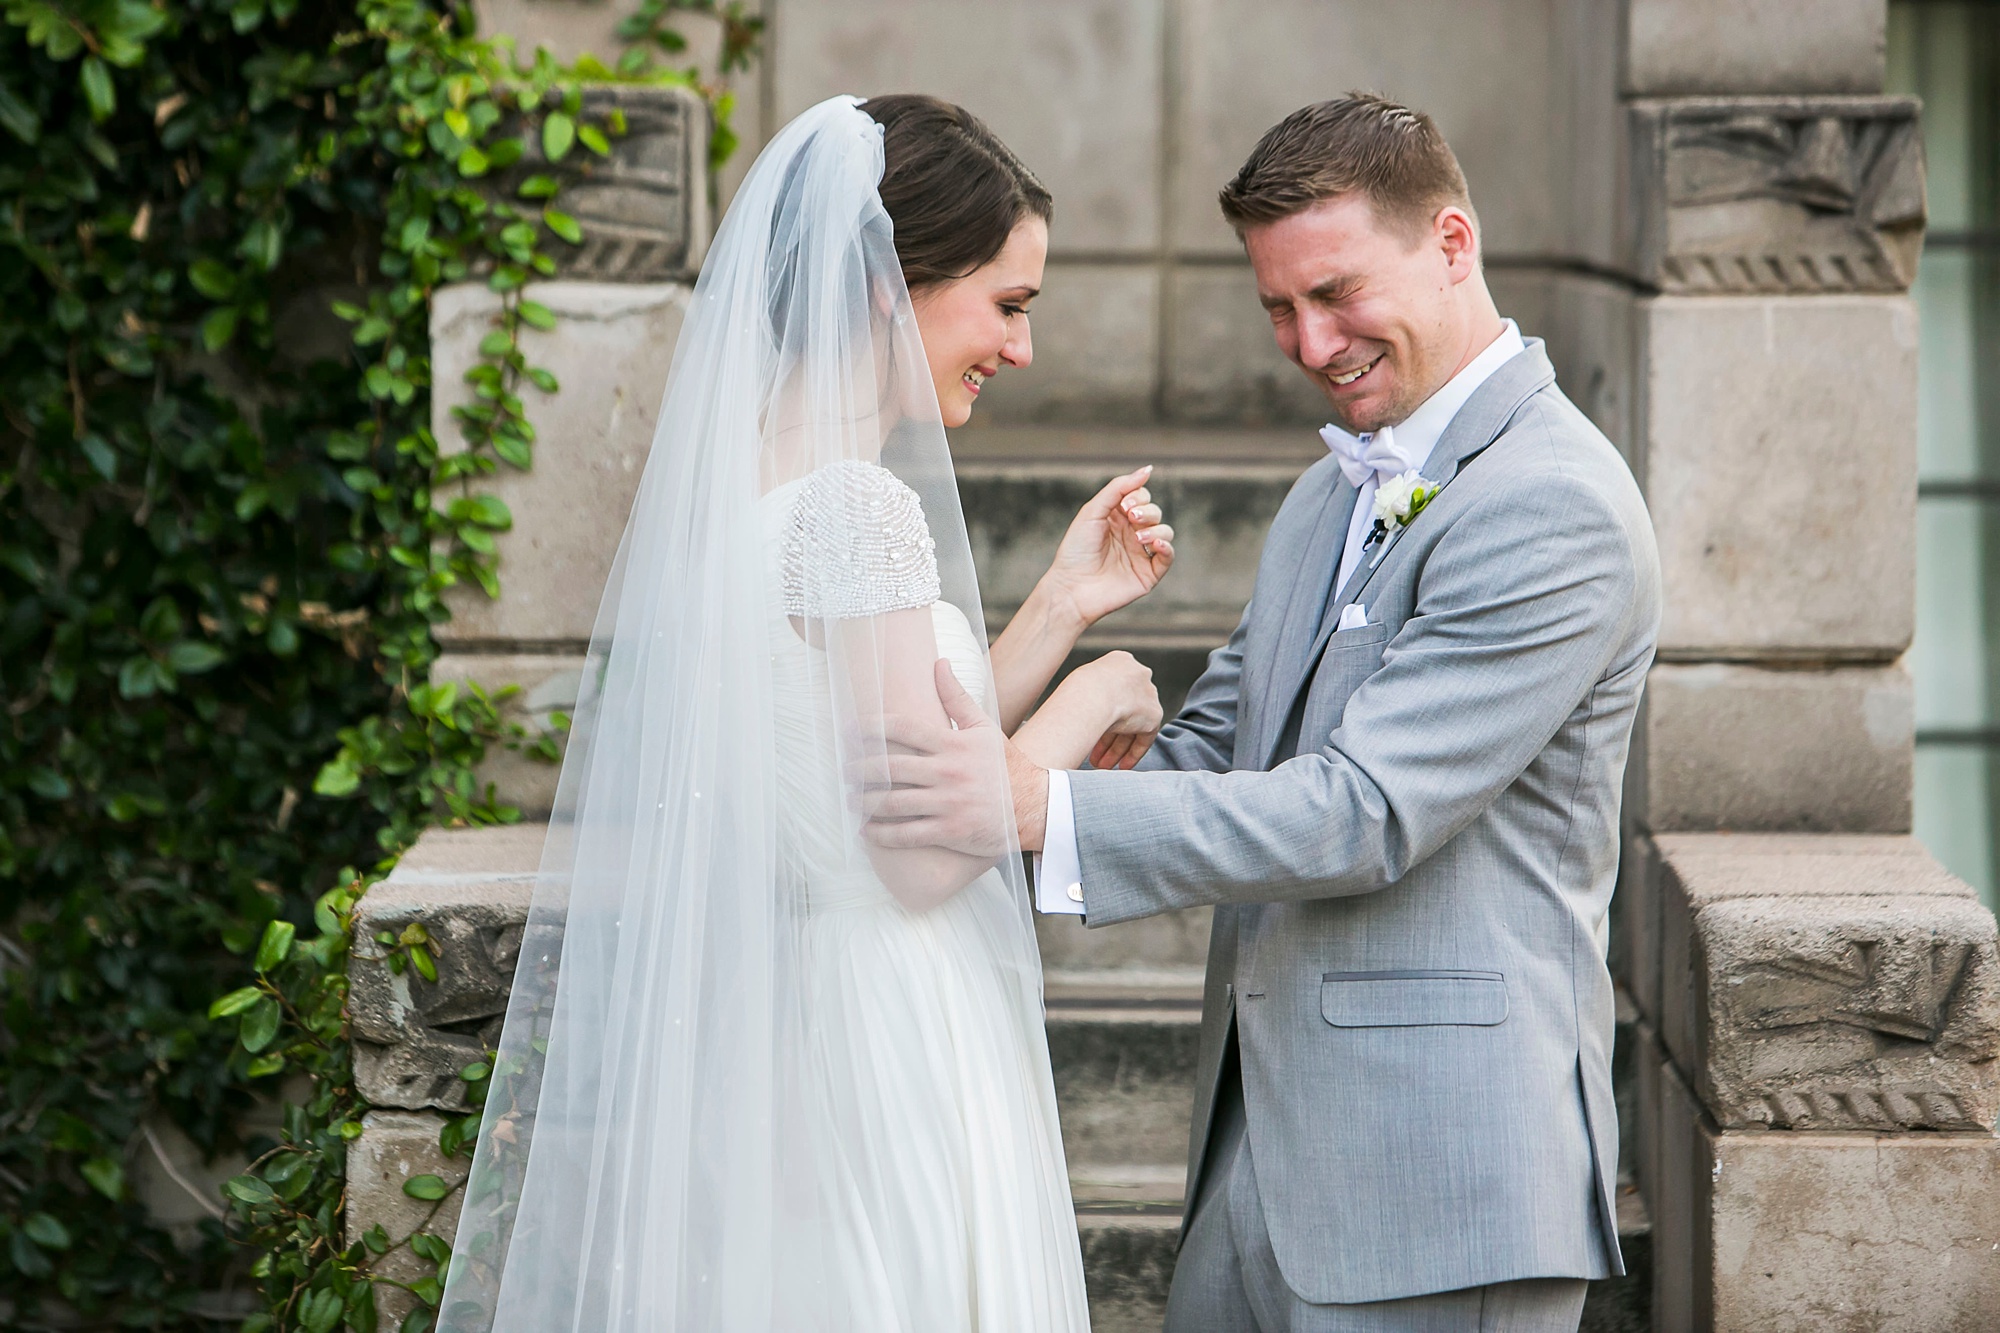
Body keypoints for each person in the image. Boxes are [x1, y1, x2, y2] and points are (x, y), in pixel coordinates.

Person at [871, 94, 1662, 1332]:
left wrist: (1036, 803)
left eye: (1336, 293)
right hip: (1253, 1160)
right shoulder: (1321, 495)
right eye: (1278, 309)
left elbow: (1363, 811)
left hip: (1437, 1180)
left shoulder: (1552, 503)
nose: (1308, 342)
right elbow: (1213, 750)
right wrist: (1060, 739)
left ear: (1451, 244)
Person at [435, 93, 1169, 1332]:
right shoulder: (855, 508)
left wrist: (1059, 606)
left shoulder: (744, 494)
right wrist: (1101, 695)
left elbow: (861, 755)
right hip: (890, 1026)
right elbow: (923, 848)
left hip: (805, 1022)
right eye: (1007, 305)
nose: (1020, 349)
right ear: (888, 284)